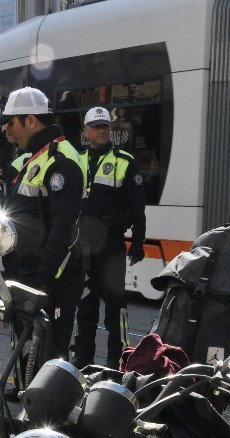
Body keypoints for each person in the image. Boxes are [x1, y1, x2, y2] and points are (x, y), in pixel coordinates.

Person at [0, 86, 86, 367]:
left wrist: (43, 282)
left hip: (50, 281)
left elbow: (63, 229)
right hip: (26, 276)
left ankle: (51, 412)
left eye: (10, 122)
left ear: (31, 120)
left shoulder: (61, 160)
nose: (6, 130)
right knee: (28, 356)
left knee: (50, 361)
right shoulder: (32, 158)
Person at [71, 106, 147, 369]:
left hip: (112, 247)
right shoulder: (76, 161)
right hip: (83, 247)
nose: (102, 130)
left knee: (116, 308)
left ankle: (119, 360)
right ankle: (83, 357)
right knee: (85, 305)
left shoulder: (125, 161)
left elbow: (137, 207)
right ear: (86, 131)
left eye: (105, 126)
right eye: (96, 126)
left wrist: (138, 243)